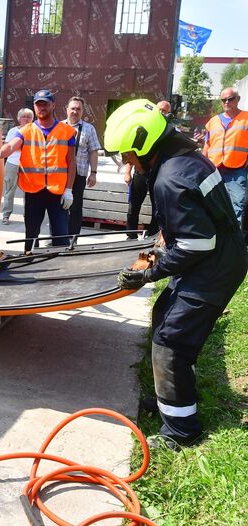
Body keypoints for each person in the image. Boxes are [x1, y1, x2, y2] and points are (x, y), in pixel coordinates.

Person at [106, 99, 248, 449]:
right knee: (163, 315)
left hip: (213, 268)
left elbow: (196, 244)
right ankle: (174, 396)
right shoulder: (184, 158)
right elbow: (187, 226)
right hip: (215, 259)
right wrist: (157, 248)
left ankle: (181, 431)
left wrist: (149, 273)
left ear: (144, 144)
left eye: (126, 153)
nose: (126, 161)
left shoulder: (170, 178)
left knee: (171, 342)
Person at [0, 89, 77, 253]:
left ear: (53, 105)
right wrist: (0, 154)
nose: (42, 108)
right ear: (34, 107)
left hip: (58, 192)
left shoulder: (66, 131)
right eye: (38, 105)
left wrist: (69, 190)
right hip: (34, 191)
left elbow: (72, 164)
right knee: (31, 235)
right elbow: (12, 145)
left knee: (61, 236)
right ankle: (30, 258)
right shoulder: (26, 130)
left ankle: (60, 268)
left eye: (45, 104)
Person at [200, 87, 248, 225]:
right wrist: (202, 164)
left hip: (236, 168)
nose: (226, 102)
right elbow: (207, 145)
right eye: (223, 100)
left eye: (230, 99)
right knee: (211, 203)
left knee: (237, 205)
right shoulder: (213, 121)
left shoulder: (246, 118)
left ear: (237, 99)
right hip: (214, 169)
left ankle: (234, 242)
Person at [123, 100, 170, 239]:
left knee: (157, 208)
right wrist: (127, 172)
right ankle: (130, 236)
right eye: (160, 109)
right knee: (133, 207)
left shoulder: (168, 131)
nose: (162, 112)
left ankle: (151, 236)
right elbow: (131, 151)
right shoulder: (143, 127)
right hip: (140, 174)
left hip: (157, 175)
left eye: (165, 111)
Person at [62, 96, 100, 236]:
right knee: (59, 207)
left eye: (78, 109)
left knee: (76, 207)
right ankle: (58, 237)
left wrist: (94, 173)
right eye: (72, 108)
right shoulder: (59, 127)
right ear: (67, 110)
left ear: (83, 111)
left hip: (79, 174)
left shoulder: (89, 129)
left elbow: (93, 151)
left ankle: (72, 238)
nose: (75, 111)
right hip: (60, 174)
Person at [0, 108, 34, 224]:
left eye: (29, 116)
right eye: (24, 116)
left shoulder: (36, 131)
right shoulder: (13, 131)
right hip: (13, 164)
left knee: (29, 192)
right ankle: (6, 215)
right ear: (19, 119)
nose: (26, 119)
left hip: (29, 165)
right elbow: (8, 147)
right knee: (9, 191)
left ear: (33, 119)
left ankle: (28, 215)